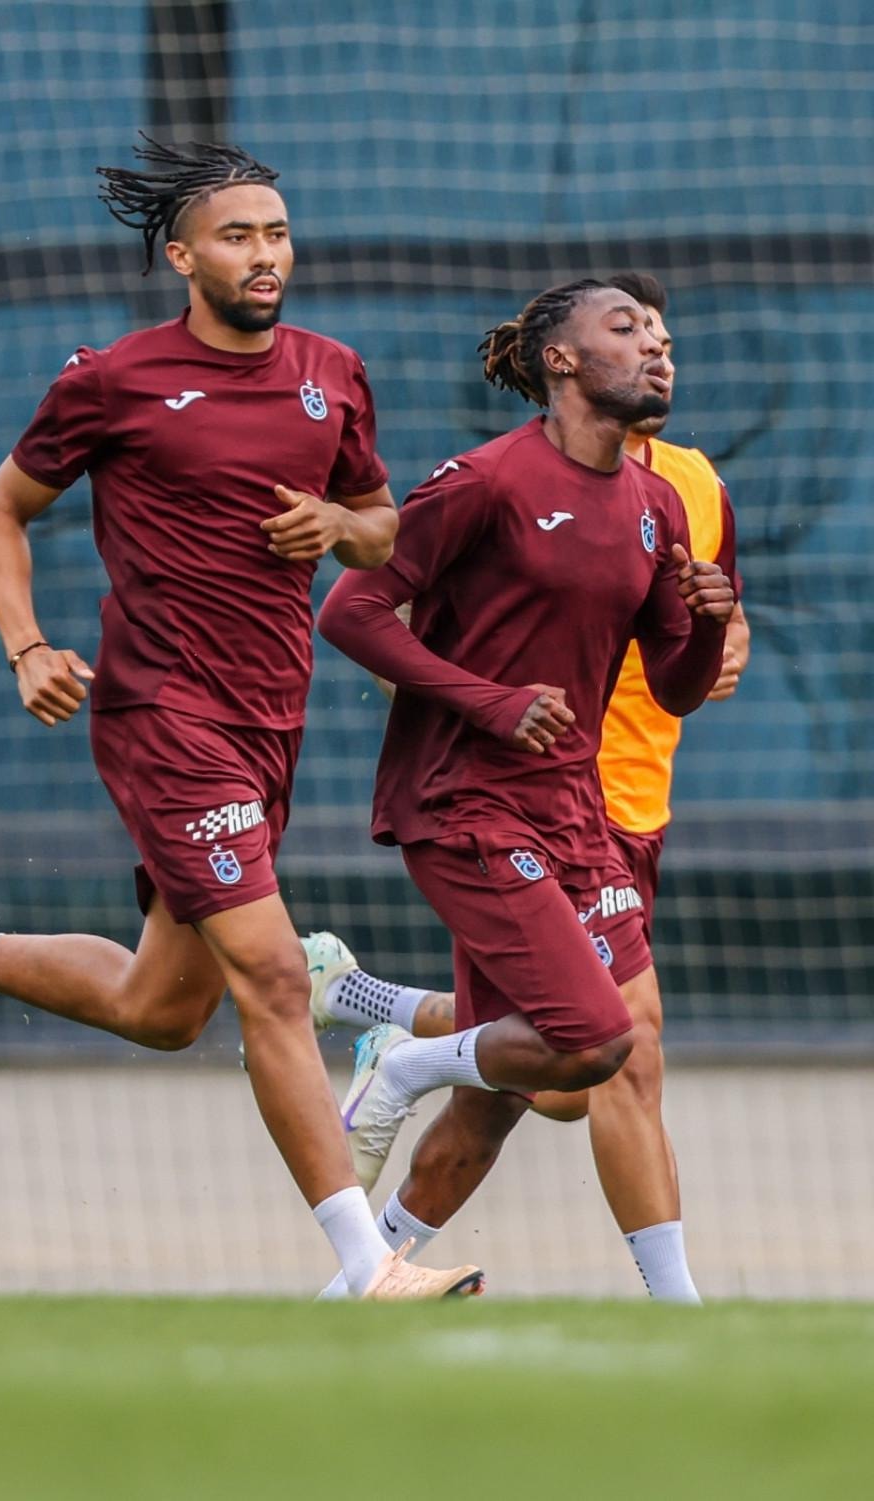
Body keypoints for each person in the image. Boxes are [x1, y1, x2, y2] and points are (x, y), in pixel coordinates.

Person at [0, 136, 481, 1301]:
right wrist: (28, 647)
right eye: (237, 236)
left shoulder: (332, 372)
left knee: (164, 1006)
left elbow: (384, 530)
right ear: (182, 257)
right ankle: (367, 1265)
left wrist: (339, 525)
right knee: (273, 977)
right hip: (162, 714)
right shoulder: (114, 380)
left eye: (277, 233)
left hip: (268, 720)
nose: (265, 254)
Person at [305, 272, 749, 1302]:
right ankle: (409, 1065)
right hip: (464, 804)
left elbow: (676, 685)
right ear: (562, 359)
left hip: (577, 814)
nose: (656, 347)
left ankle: (357, 1280)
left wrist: (710, 622)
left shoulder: (661, 503)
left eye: (661, 334)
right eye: (627, 329)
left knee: (528, 1085)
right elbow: (351, 614)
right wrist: (490, 701)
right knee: (605, 1042)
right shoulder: (485, 481)